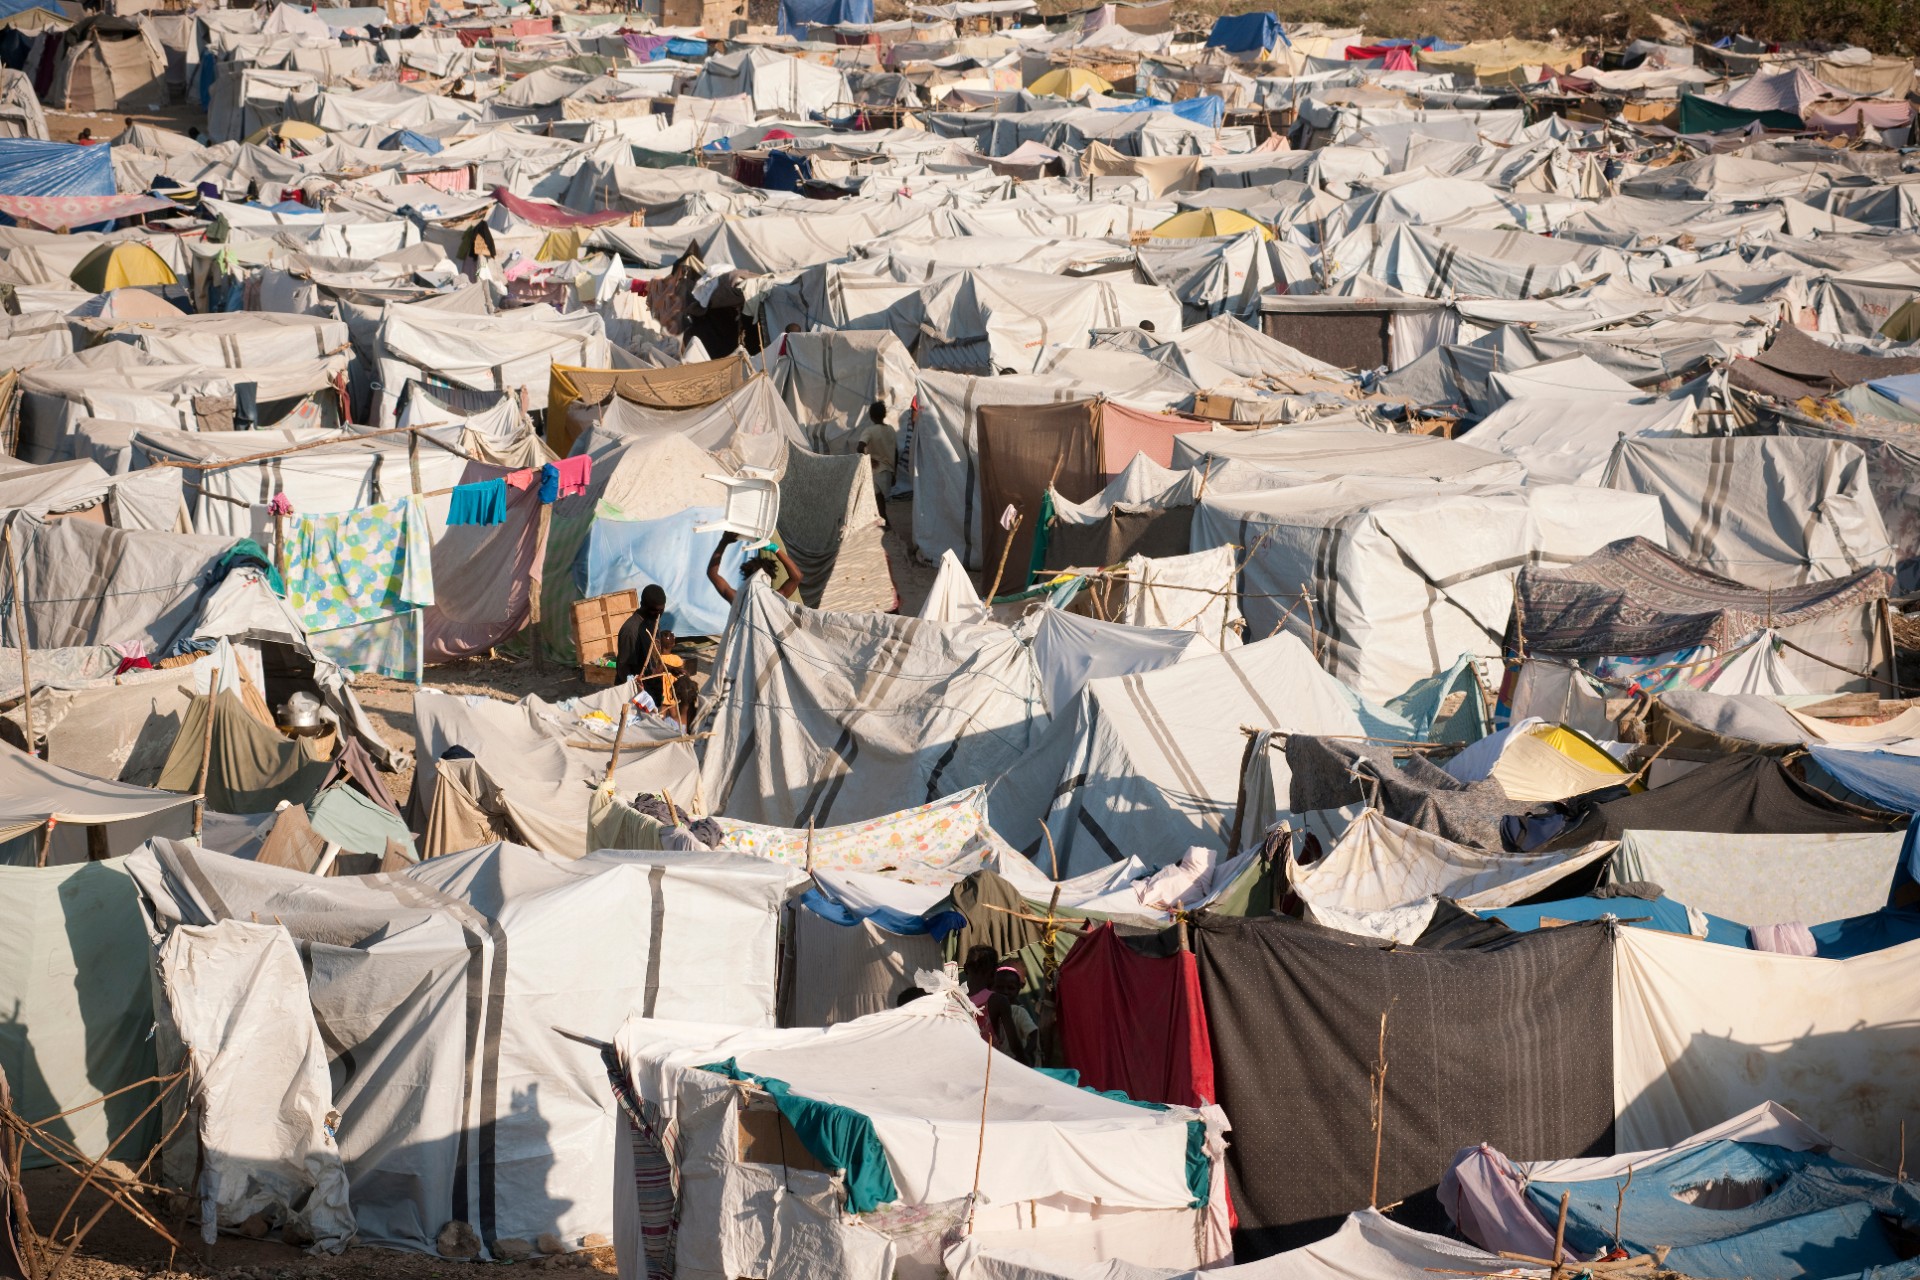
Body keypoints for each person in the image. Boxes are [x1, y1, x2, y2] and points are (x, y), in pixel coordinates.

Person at [707, 530, 802, 604]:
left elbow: (712, 573)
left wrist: (723, 542)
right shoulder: (773, 600)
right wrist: (775, 549)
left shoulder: (738, 600)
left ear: (747, 578)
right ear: (769, 578)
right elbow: (797, 576)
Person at [614, 584, 669, 706]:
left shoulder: (653, 621)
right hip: (635, 697)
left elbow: (654, 658)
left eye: (661, 610)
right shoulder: (631, 631)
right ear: (642, 604)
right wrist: (639, 690)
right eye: (654, 610)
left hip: (651, 692)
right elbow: (623, 670)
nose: (658, 615)